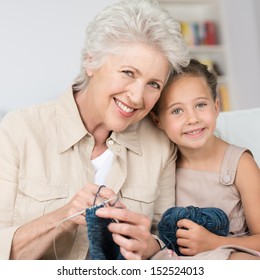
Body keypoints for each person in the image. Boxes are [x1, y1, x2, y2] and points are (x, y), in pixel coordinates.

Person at [0, 0, 189, 260]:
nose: (136, 96)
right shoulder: (18, 131)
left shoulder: (160, 146)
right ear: (91, 60)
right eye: (128, 72)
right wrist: (64, 217)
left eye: (153, 84)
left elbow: (164, 240)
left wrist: (147, 246)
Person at [150, 59, 260, 260]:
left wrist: (215, 243)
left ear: (216, 107)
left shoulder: (240, 164)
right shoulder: (162, 165)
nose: (192, 119)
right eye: (177, 111)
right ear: (158, 121)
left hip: (229, 256)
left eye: (200, 105)